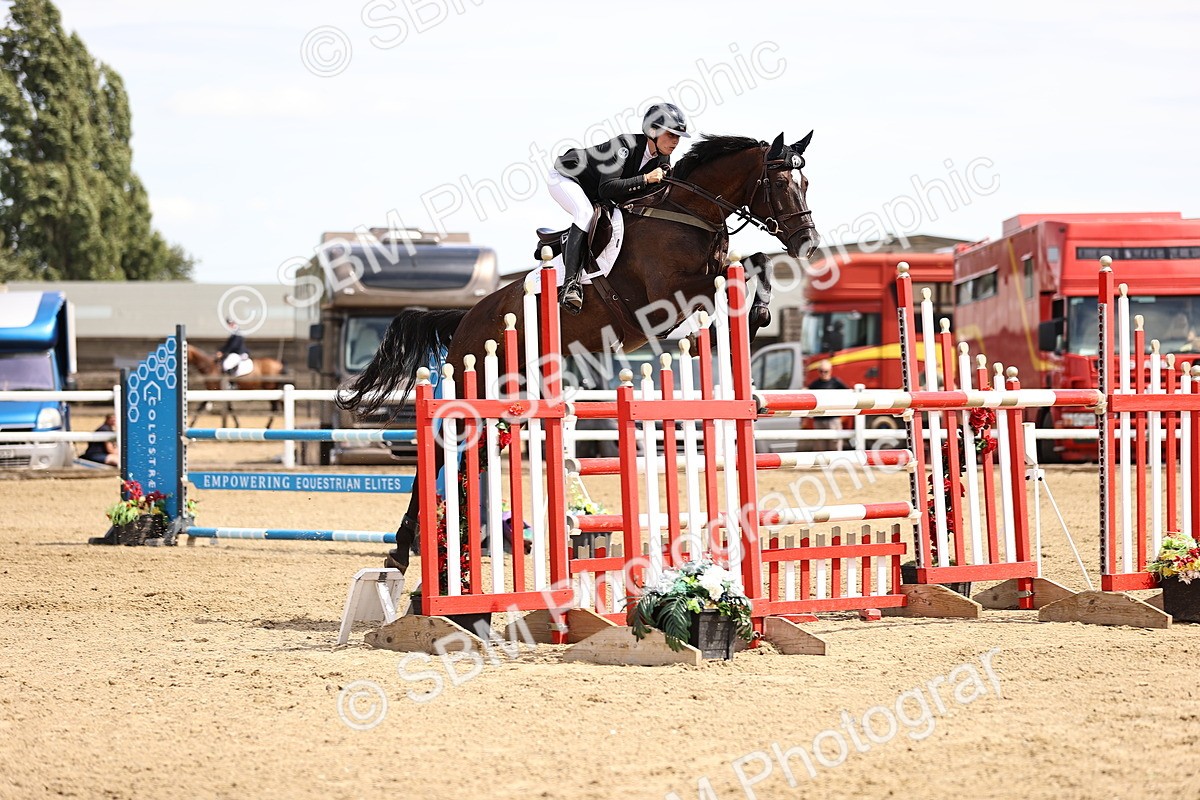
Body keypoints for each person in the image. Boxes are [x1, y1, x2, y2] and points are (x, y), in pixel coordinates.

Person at [549, 102, 691, 314]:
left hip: (595, 189)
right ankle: (571, 285)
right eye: (671, 135)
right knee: (585, 214)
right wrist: (645, 179)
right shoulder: (623, 146)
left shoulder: (663, 158)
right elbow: (607, 188)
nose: (676, 141)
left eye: (678, 136)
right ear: (653, 131)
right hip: (567, 178)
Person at [807, 359, 848, 450]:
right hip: (818, 420)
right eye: (821, 371)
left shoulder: (836, 383)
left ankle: (835, 464)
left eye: (826, 371)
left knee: (835, 446)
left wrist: (843, 413)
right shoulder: (814, 385)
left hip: (833, 419)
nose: (823, 373)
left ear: (830, 371)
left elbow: (848, 395)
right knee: (820, 447)